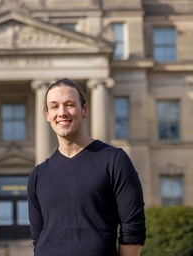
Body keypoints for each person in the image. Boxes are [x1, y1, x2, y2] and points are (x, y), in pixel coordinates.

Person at [27, 78, 146, 256]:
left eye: (69, 104)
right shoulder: (38, 175)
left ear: (84, 110)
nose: (62, 112)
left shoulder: (113, 160)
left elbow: (133, 230)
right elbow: (38, 239)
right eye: (54, 106)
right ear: (47, 115)